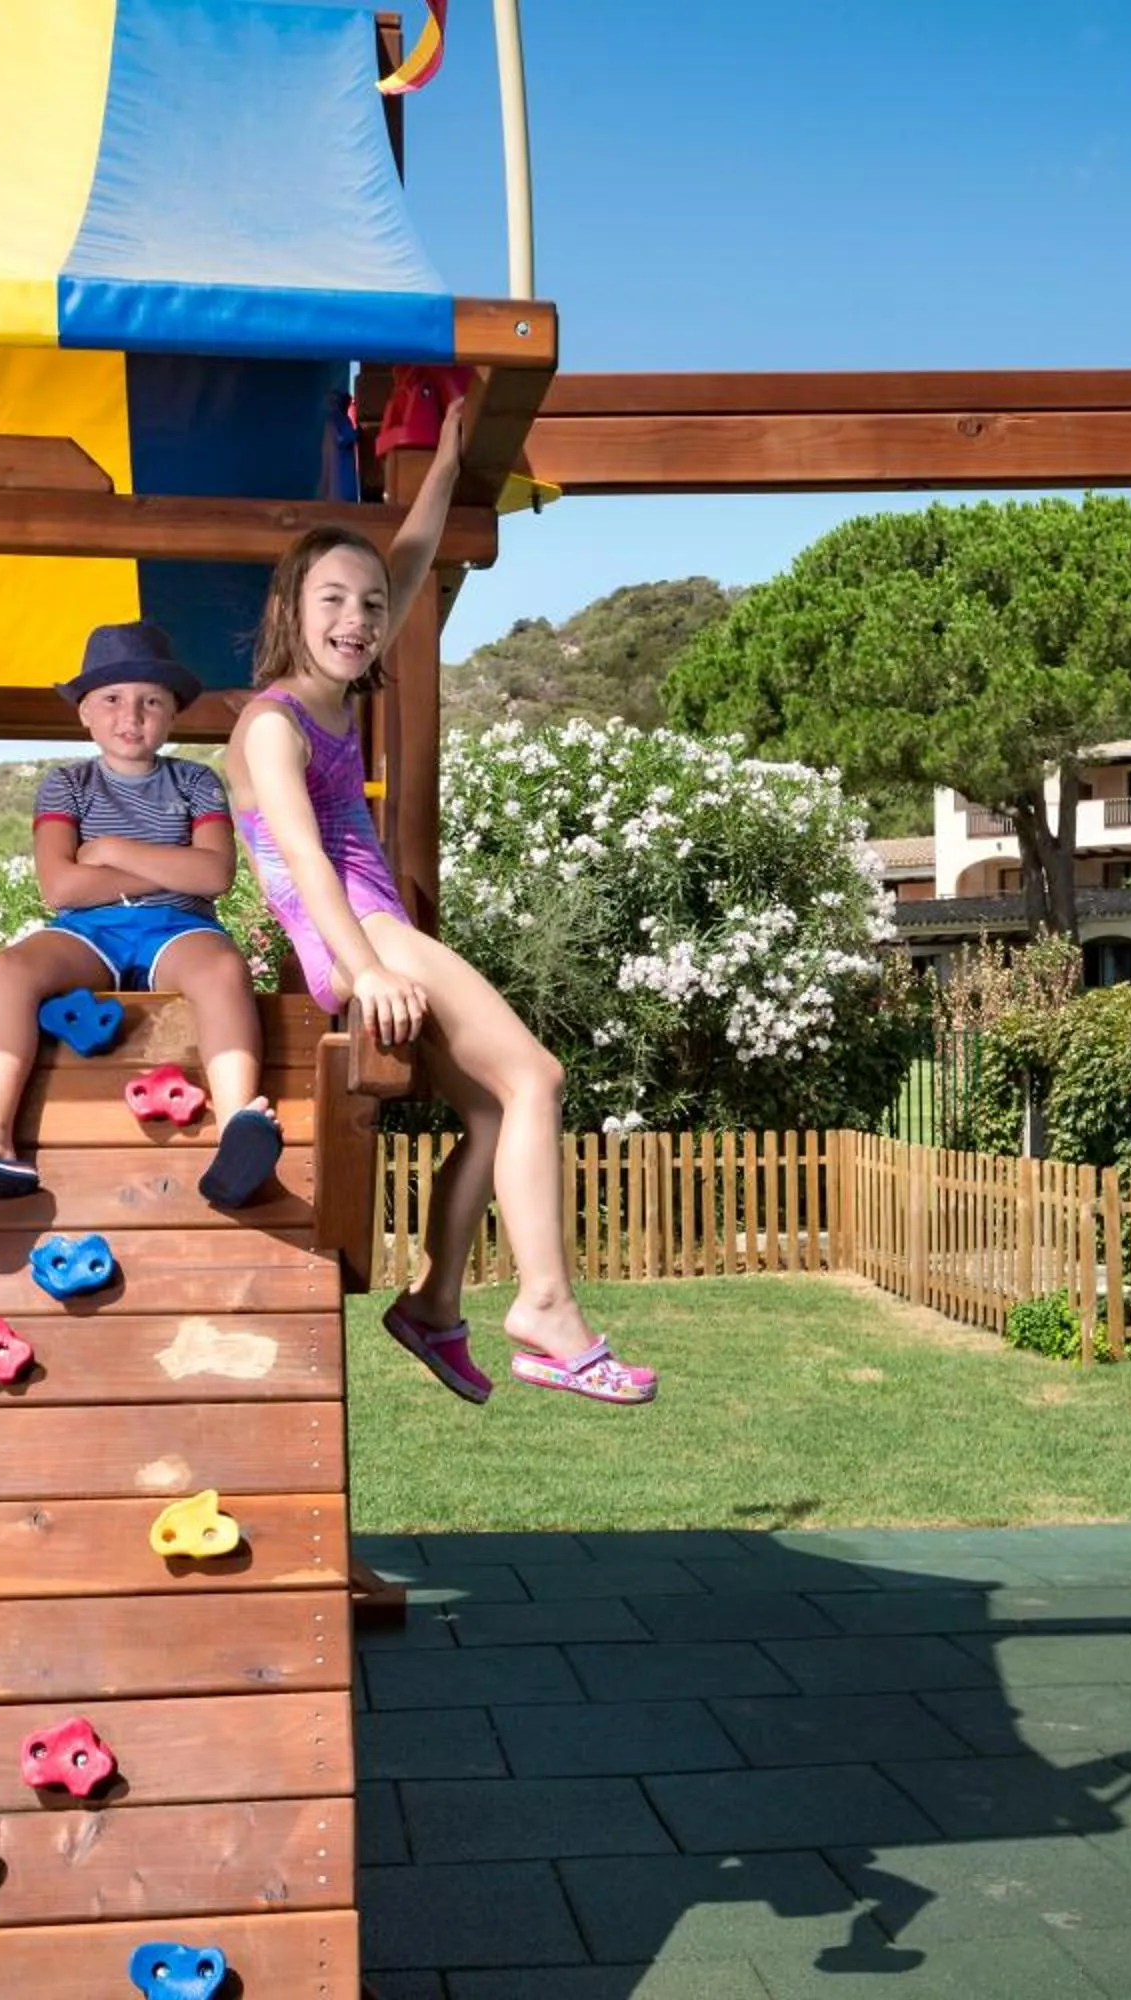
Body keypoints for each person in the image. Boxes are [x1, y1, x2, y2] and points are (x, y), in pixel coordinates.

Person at [224, 397, 655, 1406]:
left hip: (378, 933)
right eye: (334, 599)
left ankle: (433, 1302)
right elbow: (300, 858)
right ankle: (546, 1307)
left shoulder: (338, 692)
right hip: (360, 934)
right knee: (538, 1078)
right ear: (292, 607)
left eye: (371, 607)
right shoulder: (272, 725)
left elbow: (411, 558)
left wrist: (451, 455)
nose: (359, 620)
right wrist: (369, 966)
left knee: (497, 1111)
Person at [0, 623, 284, 1209]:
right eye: (111, 700)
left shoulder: (196, 782)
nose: (130, 715)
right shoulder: (67, 785)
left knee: (222, 971)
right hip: (89, 933)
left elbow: (214, 876)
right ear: (84, 712)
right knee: (8, 968)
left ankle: (239, 1127)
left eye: (151, 702)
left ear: (173, 715)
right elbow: (62, 885)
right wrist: (168, 866)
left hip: (179, 929)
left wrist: (110, 851)